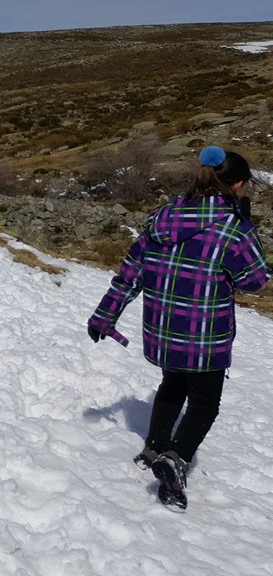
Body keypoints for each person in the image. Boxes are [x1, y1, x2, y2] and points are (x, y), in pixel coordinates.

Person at [88, 146, 268, 509]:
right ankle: (176, 458)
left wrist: (104, 316)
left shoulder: (163, 217)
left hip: (163, 332)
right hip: (206, 338)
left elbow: (130, 274)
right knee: (204, 404)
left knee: (172, 386)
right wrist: (247, 226)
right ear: (238, 185)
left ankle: (153, 448)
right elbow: (254, 280)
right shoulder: (233, 228)